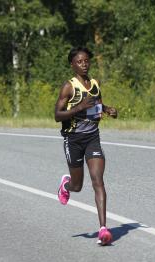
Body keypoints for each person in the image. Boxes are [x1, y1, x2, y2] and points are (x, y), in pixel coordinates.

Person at [54, 46, 118, 246]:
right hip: (73, 140)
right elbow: (57, 115)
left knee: (98, 181)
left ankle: (103, 229)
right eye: (79, 62)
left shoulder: (95, 84)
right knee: (78, 186)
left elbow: (97, 104)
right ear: (72, 65)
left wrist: (107, 109)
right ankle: (66, 185)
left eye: (86, 61)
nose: (84, 64)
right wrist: (78, 108)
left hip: (92, 138)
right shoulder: (69, 87)